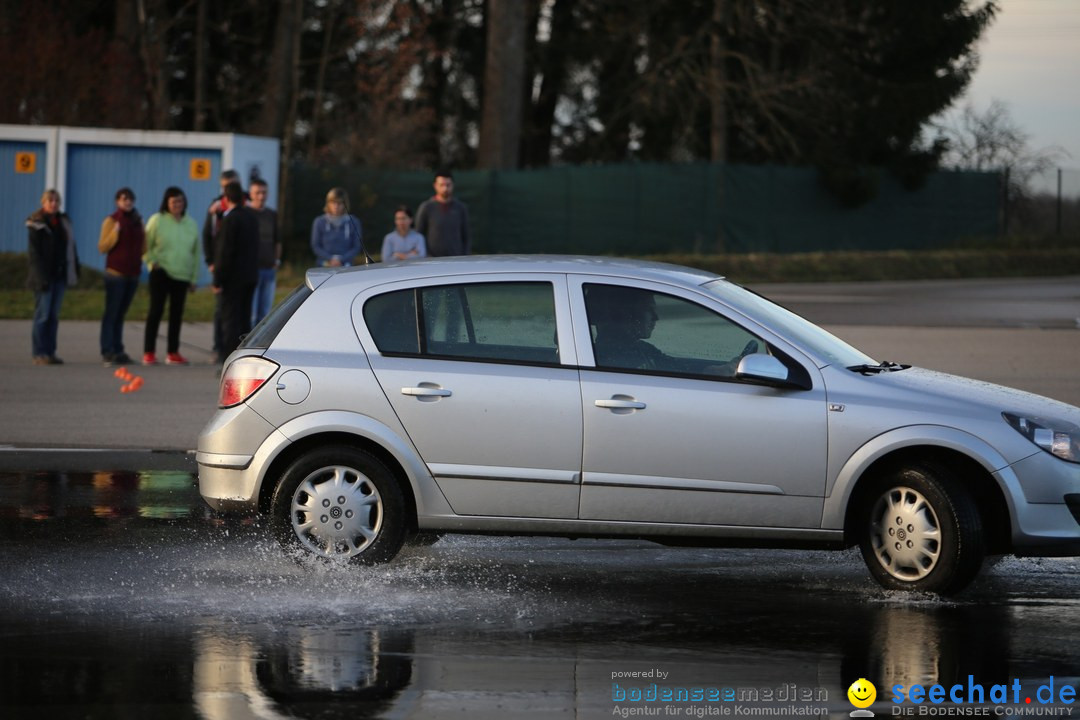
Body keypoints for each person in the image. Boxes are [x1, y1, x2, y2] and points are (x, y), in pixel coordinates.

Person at [143, 187, 200, 365]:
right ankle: (149, 352)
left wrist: (193, 278)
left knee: (176, 314)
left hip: (182, 275)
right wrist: (152, 262)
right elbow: (145, 244)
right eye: (174, 201)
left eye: (180, 201)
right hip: (161, 272)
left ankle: (173, 352)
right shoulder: (157, 220)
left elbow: (196, 253)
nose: (177, 205)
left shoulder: (191, 224)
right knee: (156, 311)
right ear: (167, 203)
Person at [26, 189, 80, 365]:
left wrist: (74, 269)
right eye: (50, 201)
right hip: (43, 277)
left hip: (60, 275)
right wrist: (40, 277)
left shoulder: (63, 222)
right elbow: (35, 255)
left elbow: (70, 248)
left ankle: (50, 352)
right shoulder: (37, 224)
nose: (54, 204)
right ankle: (39, 353)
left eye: (56, 201)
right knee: (42, 315)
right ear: (43, 203)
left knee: (53, 316)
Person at [213, 181, 260, 360]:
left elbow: (224, 252)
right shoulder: (251, 217)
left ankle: (229, 359)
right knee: (244, 320)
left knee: (230, 321)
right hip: (250, 276)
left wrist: (218, 280)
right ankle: (243, 357)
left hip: (233, 279)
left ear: (226, 198)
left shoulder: (230, 219)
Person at [98, 187, 144, 366]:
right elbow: (102, 246)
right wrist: (115, 232)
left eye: (130, 199)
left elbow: (143, 246)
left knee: (121, 314)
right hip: (115, 274)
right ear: (117, 201)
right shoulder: (111, 221)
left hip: (132, 274)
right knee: (112, 313)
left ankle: (118, 349)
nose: (128, 202)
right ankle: (107, 350)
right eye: (124, 199)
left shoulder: (138, 220)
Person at [203, 169, 241, 362]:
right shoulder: (215, 208)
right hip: (221, 265)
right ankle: (219, 347)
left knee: (240, 311)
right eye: (226, 186)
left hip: (240, 268)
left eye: (232, 185)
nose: (229, 189)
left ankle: (237, 348)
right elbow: (207, 235)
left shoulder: (243, 206)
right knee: (221, 310)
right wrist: (210, 261)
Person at [415, 170, 470, 257]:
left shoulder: (461, 208)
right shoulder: (426, 207)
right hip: (432, 261)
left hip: (456, 260)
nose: (445, 188)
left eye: (448, 185)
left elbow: (466, 236)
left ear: (453, 185)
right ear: (435, 186)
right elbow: (419, 235)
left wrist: (465, 257)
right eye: (442, 185)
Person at [248, 178, 280, 325]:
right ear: (251, 194)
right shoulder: (245, 214)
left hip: (269, 269)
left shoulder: (272, 215)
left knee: (265, 314)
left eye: (264, 192)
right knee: (251, 313)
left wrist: (276, 261)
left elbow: (277, 240)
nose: (261, 196)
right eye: (257, 193)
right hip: (251, 270)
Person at [310, 187, 362, 266]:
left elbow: (356, 246)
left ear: (345, 204)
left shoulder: (354, 222)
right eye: (333, 202)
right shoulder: (319, 222)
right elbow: (316, 246)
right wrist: (330, 259)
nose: (336, 206)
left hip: (346, 263)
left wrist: (342, 260)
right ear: (328, 203)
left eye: (339, 203)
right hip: (324, 263)